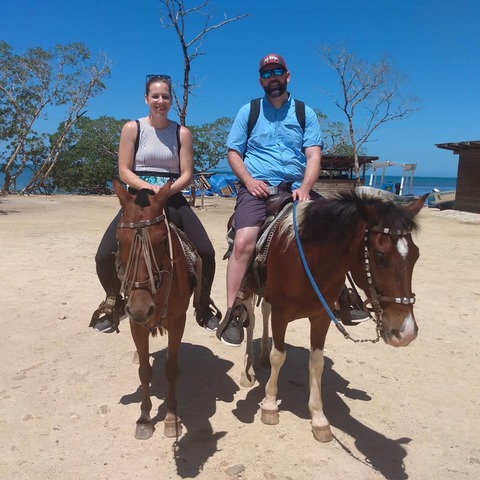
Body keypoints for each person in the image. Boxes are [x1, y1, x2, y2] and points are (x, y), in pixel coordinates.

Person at [91, 74, 220, 333]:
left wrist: (166, 190)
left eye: (165, 96)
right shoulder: (132, 129)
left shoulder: (182, 132)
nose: (161, 101)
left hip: (171, 198)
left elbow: (186, 173)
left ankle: (203, 305)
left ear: (171, 100)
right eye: (155, 96)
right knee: (104, 254)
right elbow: (124, 170)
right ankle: (113, 302)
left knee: (206, 251)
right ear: (146, 99)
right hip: (137, 200)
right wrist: (146, 187)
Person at [216, 53, 323, 347]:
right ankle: (233, 312)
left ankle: (344, 296)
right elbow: (234, 153)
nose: (272, 77)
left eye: (277, 71)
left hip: (295, 187)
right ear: (260, 79)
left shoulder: (305, 113)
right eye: (266, 73)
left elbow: (313, 155)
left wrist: (305, 186)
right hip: (257, 188)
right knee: (243, 242)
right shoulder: (248, 111)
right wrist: (249, 181)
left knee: (335, 231)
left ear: (288, 76)